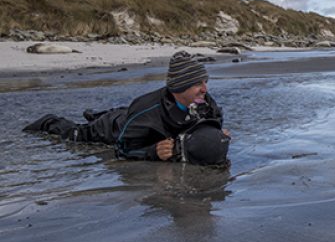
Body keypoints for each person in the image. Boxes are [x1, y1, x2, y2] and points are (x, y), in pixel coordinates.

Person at [23, 51, 231, 166]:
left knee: (122, 113)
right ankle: (48, 121)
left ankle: (95, 113)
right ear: (180, 86)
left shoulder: (205, 101)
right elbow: (122, 150)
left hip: (130, 116)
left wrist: (217, 134)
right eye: (198, 84)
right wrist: (152, 152)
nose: (205, 88)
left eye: (205, 81)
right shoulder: (147, 111)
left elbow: (214, 122)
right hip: (114, 128)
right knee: (78, 134)